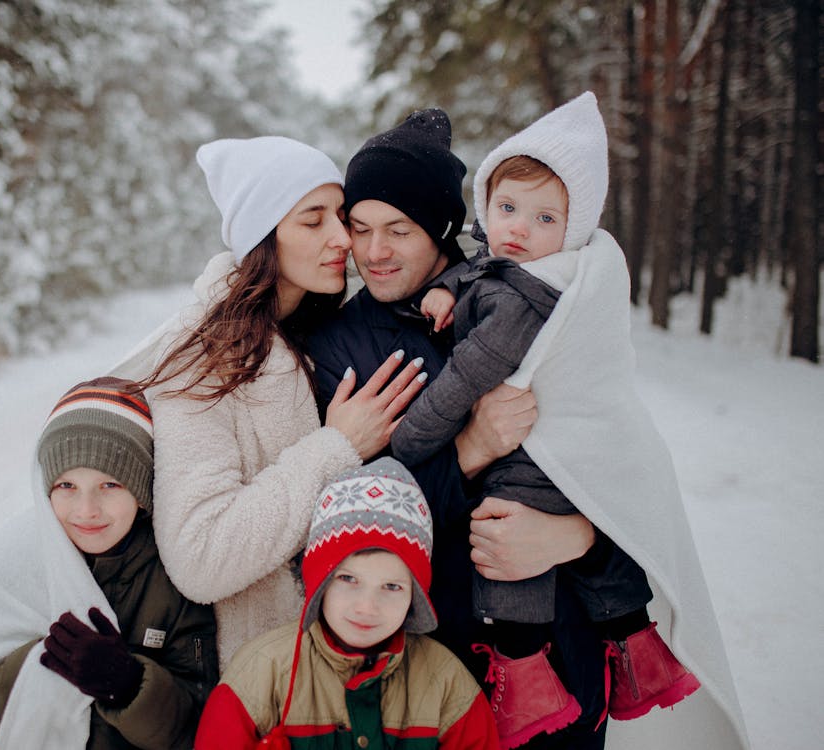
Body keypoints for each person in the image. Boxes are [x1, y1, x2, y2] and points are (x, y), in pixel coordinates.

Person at [306, 106, 750, 750]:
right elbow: (338, 530)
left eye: (398, 229)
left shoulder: (552, 308)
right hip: (436, 663)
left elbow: (615, 460)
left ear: (443, 227)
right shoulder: (340, 347)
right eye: (361, 228)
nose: (374, 253)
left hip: (566, 652)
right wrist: (470, 450)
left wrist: (579, 538)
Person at [388, 92, 699, 748]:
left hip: (542, 472)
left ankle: (528, 672)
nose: (519, 229)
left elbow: (466, 376)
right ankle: (631, 645)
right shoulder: (518, 270)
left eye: (544, 216)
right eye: (506, 208)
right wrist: (449, 287)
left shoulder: (528, 298)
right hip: (451, 634)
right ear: (480, 211)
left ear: (575, 228)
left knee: (513, 533)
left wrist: (413, 436)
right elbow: (486, 263)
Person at [110, 135, 428, 669]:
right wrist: (337, 447)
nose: (342, 238)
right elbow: (200, 555)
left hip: (341, 660)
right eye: (312, 220)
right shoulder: (206, 358)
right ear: (264, 235)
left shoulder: (313, 331)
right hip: (262, 678)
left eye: (340, 216)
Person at [0, 377, 218, 750]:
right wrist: (44, 666)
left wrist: (128, 685)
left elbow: (196, 730)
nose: (86, 510)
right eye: (66, 486)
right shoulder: (13, 563)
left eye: (111, 485)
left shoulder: (173, 575)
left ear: (142, 491)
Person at [194, 457, 500, 749]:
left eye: (391, 586)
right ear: (320, 582)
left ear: (414, 596)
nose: (367, 607)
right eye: (348, 580)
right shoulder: (262, 673)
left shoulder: (446, 683)